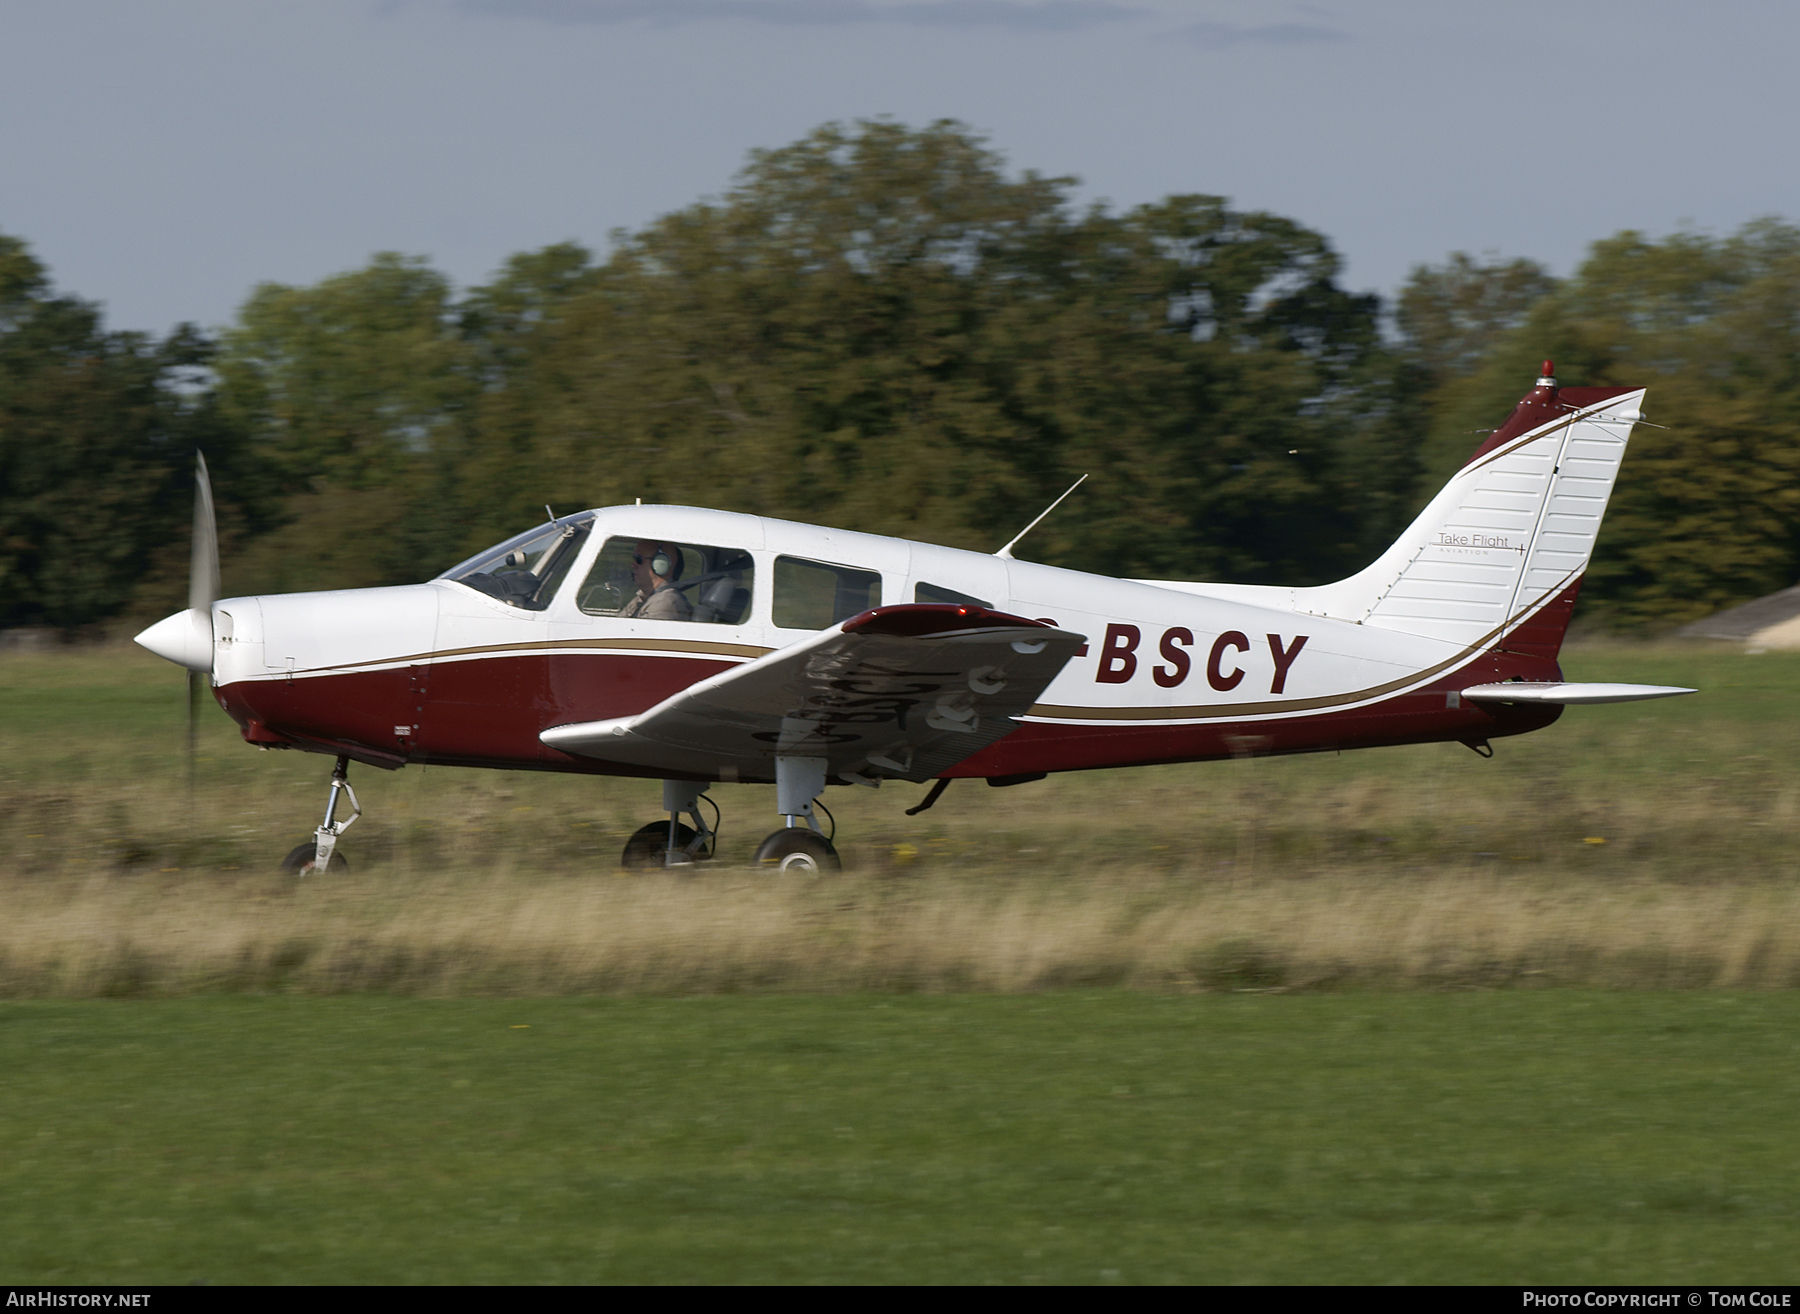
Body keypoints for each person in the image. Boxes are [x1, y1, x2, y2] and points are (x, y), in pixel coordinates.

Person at [619, 540, 694, 621]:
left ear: (661, 564)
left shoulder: (663, 602)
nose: (633, 565)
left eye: (639, 559)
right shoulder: (643, 598)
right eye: (634, 558)